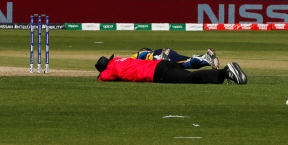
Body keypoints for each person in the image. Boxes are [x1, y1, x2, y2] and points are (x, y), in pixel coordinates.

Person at [95, 55, 247, 85]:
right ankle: (225, 75)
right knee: (187, 75)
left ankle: (226, 71)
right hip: (162, 63)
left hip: (156, 73)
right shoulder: (118, 59)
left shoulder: (110, 69)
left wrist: (100, 74)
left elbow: (102, 78)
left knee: (189, 79)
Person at [136, 47, 219, 69]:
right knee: (186, 64)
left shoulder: (142, 53)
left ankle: (160, 58)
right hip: (171, 54)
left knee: (184, 63)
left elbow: (133, 61)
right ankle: (206, 60)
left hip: (159, 54)